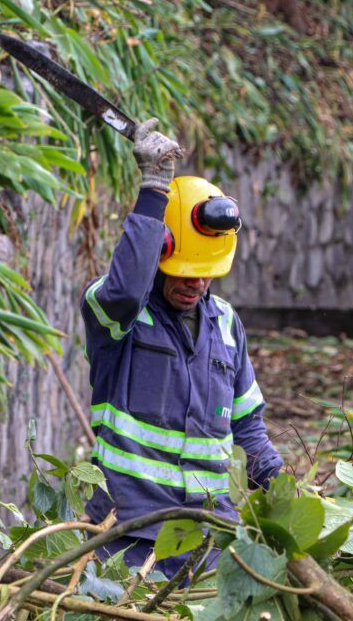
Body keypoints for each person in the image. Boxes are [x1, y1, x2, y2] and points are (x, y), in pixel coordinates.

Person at [80, 118, 283, 578]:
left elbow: (248, 426)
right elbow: (126, 289)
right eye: (184, 271)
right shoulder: (117, 314)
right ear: (159, 253)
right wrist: (154, 191)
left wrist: (279, 482)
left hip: (207, 537)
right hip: (127, 535)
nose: (196, 283)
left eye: (205, 271)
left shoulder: (227, 325)